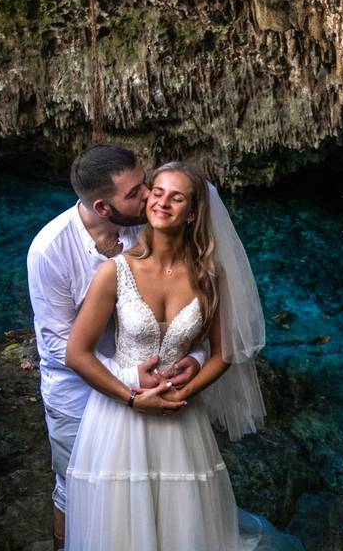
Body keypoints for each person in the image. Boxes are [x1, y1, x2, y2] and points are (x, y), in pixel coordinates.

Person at [64, 162, 272, 550]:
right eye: (157, 192)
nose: (162, 202)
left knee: (183, 526)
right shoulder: (115, 272)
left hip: (181, 415)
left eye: (176, 197)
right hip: (120, 417)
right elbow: (76, 353)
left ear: (192, 212)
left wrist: (187, 390)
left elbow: (224, 352)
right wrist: (132, 396)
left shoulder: (210, 277)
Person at [27, 146, 207, 549]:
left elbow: (186, 310)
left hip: (149, 383)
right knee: (76, 486)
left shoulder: (145, 227)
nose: (148, 196)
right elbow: (59, 346)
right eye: (135, 192)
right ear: (102, 208)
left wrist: (193, 357)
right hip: (76, 391)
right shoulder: (50, 251)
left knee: (146, 487)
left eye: (144, 183)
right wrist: (130, 379)